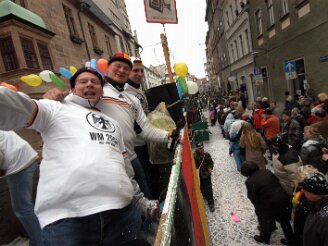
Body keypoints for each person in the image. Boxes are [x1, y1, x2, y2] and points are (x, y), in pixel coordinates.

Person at [0, 67, 157, 245]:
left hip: (122, 215)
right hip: (69, 219)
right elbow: (20, 108)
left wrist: (139, 201)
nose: (90, 83)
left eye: (95, 82)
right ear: (73, 89)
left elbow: (124, 166)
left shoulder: (113, 124)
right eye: (83, 81)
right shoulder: (54, 108)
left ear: (101, 90)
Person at [43, 53, 173, 200]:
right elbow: (67, 105)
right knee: (124, 205)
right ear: (108, 68)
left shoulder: (132, 100)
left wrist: (168, 135)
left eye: (126, 68)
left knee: (146, 199)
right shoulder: (97, 91)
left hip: (132, 158)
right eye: (117, 66)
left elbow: (146, 130)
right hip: (107, 163)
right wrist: (53, 99)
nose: (122, 70)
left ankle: (150, 222)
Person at [125, 58, 159, 199]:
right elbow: (135, 123)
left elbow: (144, 114)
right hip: (136, 147)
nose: (139, 74)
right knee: (145, 181)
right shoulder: (126, 92)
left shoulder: (137, 90)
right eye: (135, 70)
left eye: (141, 70)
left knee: (153, 176)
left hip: (146, 142)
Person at [0, 130, 41, 246]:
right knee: (26, 204)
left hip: (19, 164)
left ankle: (39, 241)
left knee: (21, 207)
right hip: (27, 157)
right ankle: (31, 231)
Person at [241, 161, 293, 245]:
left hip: (269, 205)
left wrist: (258, 210)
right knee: (285, 222)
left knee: (264, 220)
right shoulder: (266, 171)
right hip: (283, 198)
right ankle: (291, 240)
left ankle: (264, 237)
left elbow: (253, 197)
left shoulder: (250, 181)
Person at [301, 172, 328, 246]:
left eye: (304, 189)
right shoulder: (316, 204)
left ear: (312, 193)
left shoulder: (323, 219)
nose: (302, 191)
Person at [193, 142, 215, 212]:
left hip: (206, 175)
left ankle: (211, 203)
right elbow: (193, 166)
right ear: (197, 148)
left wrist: (210, 168)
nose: (201, 150)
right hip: (199, 177)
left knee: (209, 188)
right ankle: (204, 195)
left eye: (202, 148)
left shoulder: (206, 154)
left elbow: (211, 162)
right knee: (201, 188)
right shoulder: (194, 156)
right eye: (200, 149)